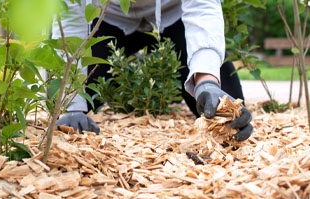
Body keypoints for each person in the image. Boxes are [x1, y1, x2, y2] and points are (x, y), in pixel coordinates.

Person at [53, 0, 253, 141]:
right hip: (108, 16)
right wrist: (71, 106)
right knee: (72, 107)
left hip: (173, 13)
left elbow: (202, 6)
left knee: (227, 107)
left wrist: (206, 81)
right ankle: (137, 72)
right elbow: (70, 16)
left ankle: (159, 78)